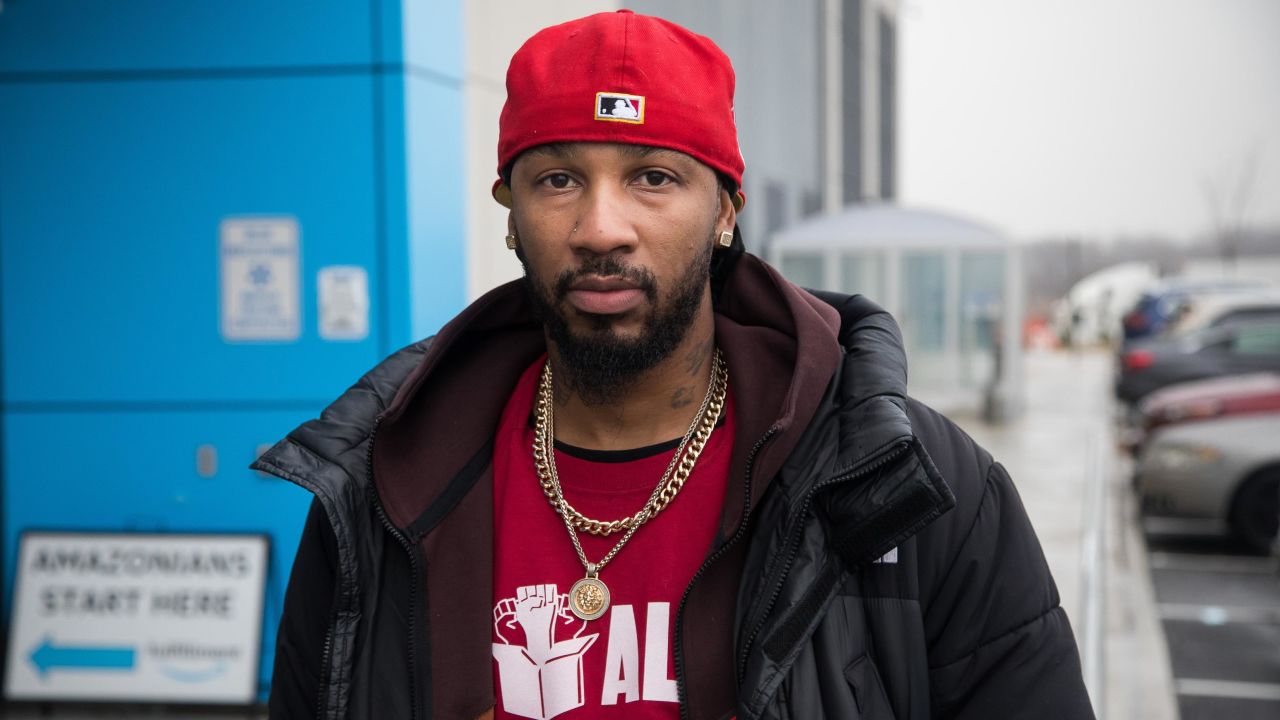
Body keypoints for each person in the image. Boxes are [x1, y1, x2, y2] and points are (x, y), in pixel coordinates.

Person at [257, 10, 1094, 720]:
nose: (601, 228)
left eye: (652, 177)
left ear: (727, 210)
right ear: (509, 215)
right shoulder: (385, 485)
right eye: (557, 180)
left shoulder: (910, 486)